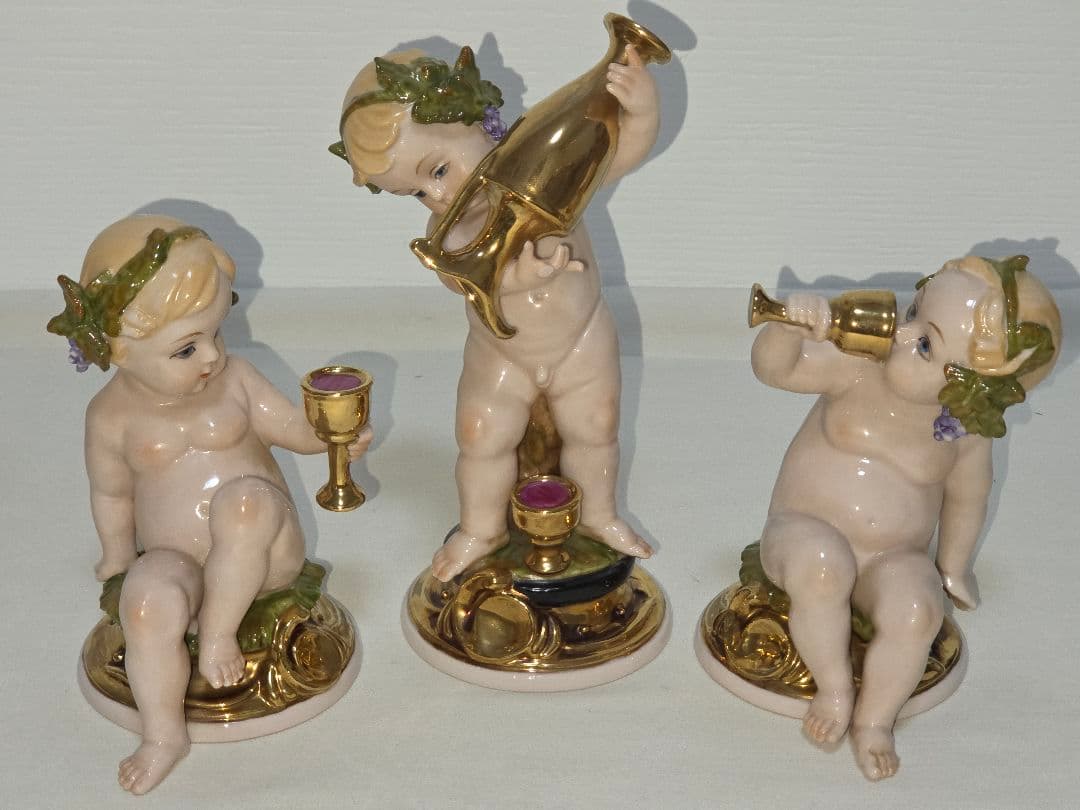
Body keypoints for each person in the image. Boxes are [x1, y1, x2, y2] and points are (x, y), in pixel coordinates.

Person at [48, 215, 372, 794]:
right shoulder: (110, 416)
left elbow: (292, 430)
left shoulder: (237, 379)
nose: (213, 357)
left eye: (217, 333)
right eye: (186, 348)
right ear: (118, 351)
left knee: (246, 504)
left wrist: (332, 436)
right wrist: (117, 556)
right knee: (147, 601)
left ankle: (220, 632)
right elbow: (112, 492)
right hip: (177, 558)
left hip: (265, 555)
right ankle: (162, 734)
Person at [334, 44, 658, 581]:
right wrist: (517, 280)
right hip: (500, 353)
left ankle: (599, 516)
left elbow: (616, 156)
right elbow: (458, 273)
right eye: (415, 192)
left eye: (438, 169)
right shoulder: (452, 225)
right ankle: (481, 529)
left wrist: (642, 110)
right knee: (480, 434)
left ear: (478, 123)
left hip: (581, 339)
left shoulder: (545, 171)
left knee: (596, 426)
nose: (437, 196)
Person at [750, 255, 1060, 780]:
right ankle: (834, 688)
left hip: (891, 557)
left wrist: (952, 568)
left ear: (968, 387)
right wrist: (788, 327)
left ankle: (875, 720)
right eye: (915, 311)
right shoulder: (855, 365)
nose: (901, 333)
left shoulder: (963, 433)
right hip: (803, 529)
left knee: (917, 611)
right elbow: (775, 370)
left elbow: (967, 499)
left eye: (926, 345)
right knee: (821, 567)